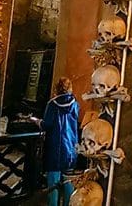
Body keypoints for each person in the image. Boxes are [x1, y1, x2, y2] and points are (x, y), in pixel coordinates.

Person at [42, 77, 80, 206]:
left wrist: (36, 121)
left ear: (56, 88)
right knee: (68, 180)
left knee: (53, 181)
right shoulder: (75, 104)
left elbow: (46, 124)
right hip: (70, 145)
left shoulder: (52, 104)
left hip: (54, 145)